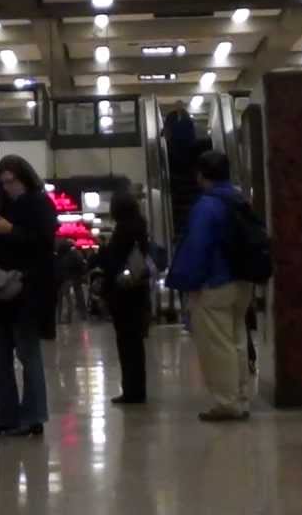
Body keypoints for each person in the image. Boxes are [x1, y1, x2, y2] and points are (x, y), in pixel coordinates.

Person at [167, 150, 254, 422]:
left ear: (201, 175)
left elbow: (198, 247)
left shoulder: (206, 205)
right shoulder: (240, 199)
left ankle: (226, 402)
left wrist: (187, 282)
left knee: (218, 345)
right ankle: (240, 397)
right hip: (243, 281)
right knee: (238, 340)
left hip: (214, 283)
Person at [0, 154, 59, 438]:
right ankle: (6, 416)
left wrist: (11, 230)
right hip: (1, 293)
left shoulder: (39, 204)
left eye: (11, 181)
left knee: (28, 355)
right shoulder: (1, 206)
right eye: (3, 183)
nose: (8, 187)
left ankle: (33, 417)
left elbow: (44, 243)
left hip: (27, 292)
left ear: (24, 178)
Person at [93, 192, 153, 405]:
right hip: (138, 290)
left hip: (124, 294)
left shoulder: (123, 231)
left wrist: (102, 255)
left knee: (127, 343)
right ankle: (137, 389)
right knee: (135, 343)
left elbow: (113, 262)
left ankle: (132, 391)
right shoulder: (140, 227)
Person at [54, 239, 87, 325]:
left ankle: (58, 319)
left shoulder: (59, 255)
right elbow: (81, 264)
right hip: (71, 278)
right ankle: (71, 317)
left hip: (61, 279)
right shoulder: (74, 254)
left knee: (60, 300)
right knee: (71, 298)